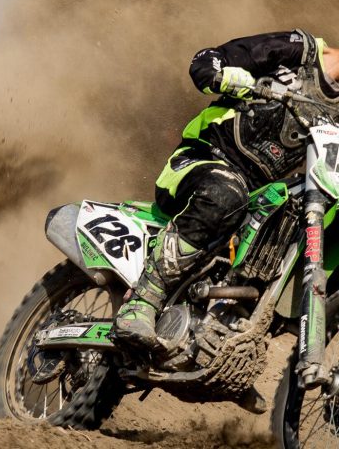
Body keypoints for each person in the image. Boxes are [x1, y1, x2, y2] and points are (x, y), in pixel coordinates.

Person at [114, 29, 339, 348]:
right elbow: (206, 60)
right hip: (200, 161)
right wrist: (222, 75)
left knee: (296, 219)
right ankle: (143, 299)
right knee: (227, 193)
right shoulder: (299, 51)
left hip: (255, 197)